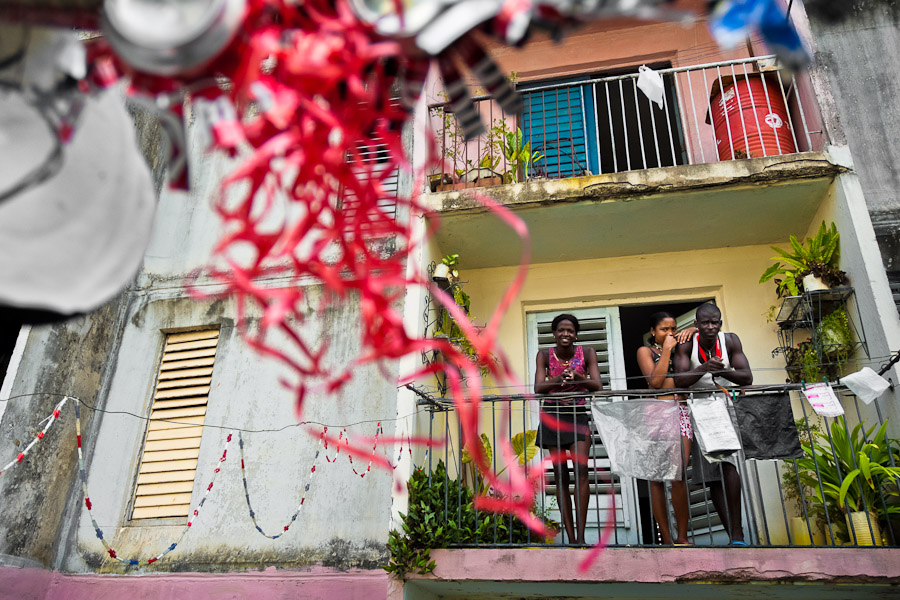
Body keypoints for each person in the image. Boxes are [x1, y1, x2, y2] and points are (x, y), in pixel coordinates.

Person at [674, 302, 753, 545]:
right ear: (696, 325)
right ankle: (733, 536)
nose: (710, 327)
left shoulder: (730, 341)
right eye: (705, 323)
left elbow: (747, 377)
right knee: (712, 476)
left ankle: (738, 533)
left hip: (725, 404)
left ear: (720, 323)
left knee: (727, 463)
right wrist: (705, 367)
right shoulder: (687, 344)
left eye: (715, 322)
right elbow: (679, 380)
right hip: (698, 407)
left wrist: (720, 372)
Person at [534, 313, 602, 545]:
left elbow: (598, 385)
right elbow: (538, 387)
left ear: (576, 334)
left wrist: (578, 376)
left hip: (578, 415)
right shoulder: (544, 355)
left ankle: (581, 536)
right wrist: (559, 379)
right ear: (554, 333)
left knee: (582, 471)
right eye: (561, 330)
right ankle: (572, 538)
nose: (565, 334)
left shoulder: (588, 352)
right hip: (553, 415)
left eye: (570, 331)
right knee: (561, 475)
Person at [635, 312, 695, 545]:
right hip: (656, 414)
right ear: (653, 332)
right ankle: (666, 538)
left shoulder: (682, 348)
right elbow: (656, 382)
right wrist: (668, 349)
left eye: (674, 328)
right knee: (657, 479)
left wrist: (695, 330)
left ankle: (682, 536)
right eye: (664, 329)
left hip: (680, 412)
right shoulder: (645, 351)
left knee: (679, 474)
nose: (670, 333)